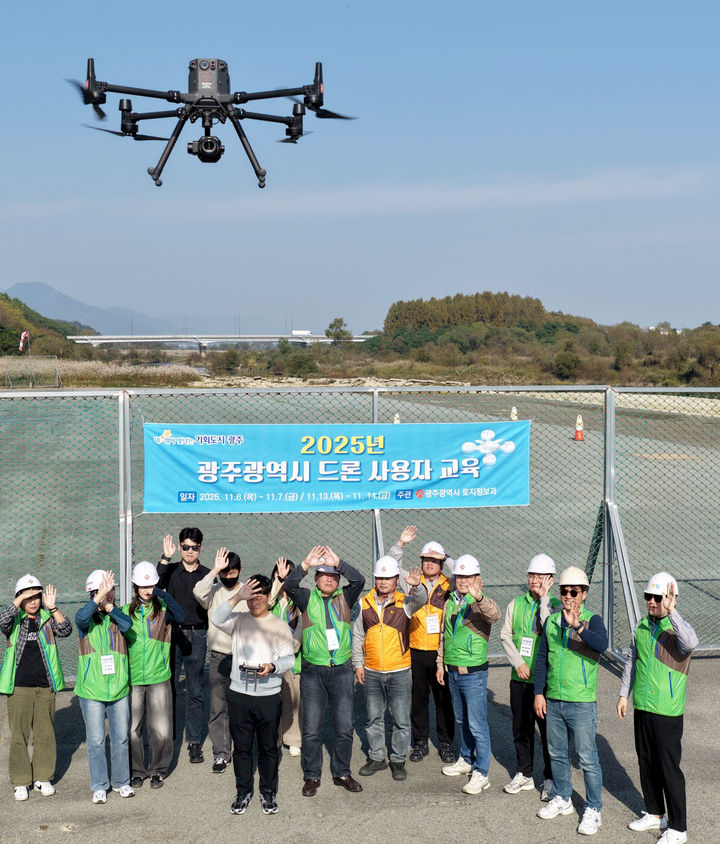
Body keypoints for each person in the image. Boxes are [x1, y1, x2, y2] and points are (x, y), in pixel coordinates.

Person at [617, 572, 698, 844]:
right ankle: (655, 813)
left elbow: (691, 644)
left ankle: (678, 827)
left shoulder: (677, 628)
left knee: (668, 767)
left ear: (669, 598)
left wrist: (672, 611)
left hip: (667, 710)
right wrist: (623, 695)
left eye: (657, 597)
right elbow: (631, 661)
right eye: (647, 597)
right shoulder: (641, 626)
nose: (651, 602)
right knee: (646, 761)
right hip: (643, 705)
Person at [283, 545, 365, 797]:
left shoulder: (345, 598)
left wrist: (338, 562)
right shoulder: (307, 598)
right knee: (312, 727)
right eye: (324, 575)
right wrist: (305, 563)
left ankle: (342, 772)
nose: (329, 579)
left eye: (333, 575)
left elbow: (359, 580)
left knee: (343, 726)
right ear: (316, 579)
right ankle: (311, 775)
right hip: (313, 671)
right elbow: (289, 586)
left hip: (341, 670)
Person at [534, 565, 608, 836]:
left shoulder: (593, 620)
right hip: (554, 698)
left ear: (584, 594)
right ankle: (563, 797)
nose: (568, 596)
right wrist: (538, 693)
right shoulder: (551, 622)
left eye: (574, 591)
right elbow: (542, 659)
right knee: (556, 753)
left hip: (581, 701)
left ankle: (593, 808)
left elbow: (602, 645)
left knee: (587, 758)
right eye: (564, 591)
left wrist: (578, 625)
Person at [211, 574, 294, 816]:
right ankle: (243, 791)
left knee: (268, 747)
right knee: (242, 748)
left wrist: (272, 666)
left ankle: (267, 791)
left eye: (259, 595)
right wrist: (237, 596)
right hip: (239, 694)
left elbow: (288, 658)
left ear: (269, 597)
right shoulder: (237, 620)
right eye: (251, 595)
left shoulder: (279, 625)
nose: (254, 600)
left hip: (269, 695)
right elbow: (216, 617)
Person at [352, 555, 427, 781]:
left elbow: (422, 600)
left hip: (400, 670)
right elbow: (358, 635)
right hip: (373, 670)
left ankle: (398, 760)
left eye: (388, 578)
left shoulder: (406, 601)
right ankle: (376, 757)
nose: (383, 582)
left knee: (401, 719)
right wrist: (358, 664)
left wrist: (418, 585)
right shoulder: (364, 603)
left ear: (396, 579)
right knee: (373, 718)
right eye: (379, 578)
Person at [0, 574, 72, 801]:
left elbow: (66, 629)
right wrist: (18, 600)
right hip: (19, 687)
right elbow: (2, 620)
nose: (33, 601)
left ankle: (43, 777)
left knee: (45, 734)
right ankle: (21, 781)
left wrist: (52, 608)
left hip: (45, 686)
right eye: (28, 597)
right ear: (20, 599)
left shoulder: (47, 618)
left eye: (36, 597)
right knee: (19, 734)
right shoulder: (15, 619)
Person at [388, 525, 455, 764]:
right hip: (415, 649)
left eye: (435, 560)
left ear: (441, 562)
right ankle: (420, 742)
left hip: (441, 652)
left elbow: (461, 570)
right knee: (418, 699)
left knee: (444, 700)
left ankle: (446, 743)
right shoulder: (411, 581)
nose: (429, 563)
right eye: (426, 559)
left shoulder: (450, 584)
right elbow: (390, 564)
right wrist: (401, 544)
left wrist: (445, 558)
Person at [437, 554, 501, 794]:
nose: (463, 580)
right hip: (453, 671)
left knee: (477, 724)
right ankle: (465, 759)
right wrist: (440, 663)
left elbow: (495, 615)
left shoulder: (480, 602)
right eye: (460, 576)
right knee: (461, 719)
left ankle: (482, 772)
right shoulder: (451, 601)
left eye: (468, 576)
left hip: (473, 673)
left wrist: (480, 598)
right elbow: (444, 636)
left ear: (477, 578)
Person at [500, 553, 560, 800]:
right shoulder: (516, 604)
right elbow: (505, 635)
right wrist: (518, 662)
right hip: (520, 678)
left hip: (544, 681)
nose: (535, 581)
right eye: (532, 575)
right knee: (521, 729)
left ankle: (550, 779)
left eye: (541, 576)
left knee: (547, 733)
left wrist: (545, 599)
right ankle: (524, 774)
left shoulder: (555, 605)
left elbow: (550, 630)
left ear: (551, 579)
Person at [123, 561, 185, 790]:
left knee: (161, 728)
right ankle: (137, 770)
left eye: (150, 585)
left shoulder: (163, 610)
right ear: (134, 587)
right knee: (132, 728)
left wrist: (159, 592)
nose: (147, 590)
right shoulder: (125, 611)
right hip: (134, 678)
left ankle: (158, 769)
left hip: (159, 676)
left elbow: (181, 615)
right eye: (142, 586)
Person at [74, 569, 134, 804]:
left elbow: (128, 627)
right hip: (91, 690)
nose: (112, 595)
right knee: (97, 739)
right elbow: (79, 618)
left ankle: (122, 782)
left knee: (120, 738)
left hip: (118, 687)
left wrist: (110, 607)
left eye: (113, 591)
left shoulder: (117, 616)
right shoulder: (85, 621)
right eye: (106, 592)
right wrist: (99, 598)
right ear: (94, 593)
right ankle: (99, 785)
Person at [157, 527, 210, 763]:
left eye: (195, 547)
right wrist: (165, 558)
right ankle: (168, 737)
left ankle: (194, 741)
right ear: (180, 547)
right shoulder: (171, 570)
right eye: (186, 547)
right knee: (168, 688)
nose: (190, 551)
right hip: (173, 634)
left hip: (197, 634)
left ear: (200, 548)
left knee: (196, 690)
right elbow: (154, 587)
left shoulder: (208, 574)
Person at [193, 547, 246, 773]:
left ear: (239, 571)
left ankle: (244, 750)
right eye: (224, 573)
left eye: (232, 573)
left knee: (243, 707)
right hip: (218, 656)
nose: (228, 577)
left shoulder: (247, 590)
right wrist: (215, 569)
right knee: (218, 708)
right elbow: (197, 592)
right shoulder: (213, 590)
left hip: (244, 657)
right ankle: (221, 754)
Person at [268, 557, 303, 758]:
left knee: (292, 702)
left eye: (290, 576)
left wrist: (288, 651)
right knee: (272, 702)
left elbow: (300, 630)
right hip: (269, 659)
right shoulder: (271, 600)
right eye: (281, 575)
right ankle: (275, 737)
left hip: (292, 660)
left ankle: (293, 739)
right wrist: (278, 581)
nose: (285, 579)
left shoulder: (298, 601)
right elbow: (265, 603)